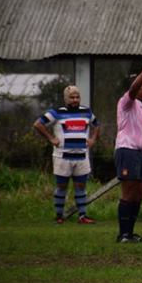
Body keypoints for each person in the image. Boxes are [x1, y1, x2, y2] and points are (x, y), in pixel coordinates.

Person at [33, 85, 100, 224]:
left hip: (81, 156)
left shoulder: (87, 112)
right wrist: (51, 138)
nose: (75, 100)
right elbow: (38, 124)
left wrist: (93, 139)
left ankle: (82, 216)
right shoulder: (56, 112)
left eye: (77, 97)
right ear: (65, 99)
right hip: (62, 157)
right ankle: (59, 216)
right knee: (61, 187)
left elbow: (97, 124)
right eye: (72, 97)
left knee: (81, 187)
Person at [114, 56, 142, 243]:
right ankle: (123, 234)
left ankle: (131, 233)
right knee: (129, 191)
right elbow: (133, 89)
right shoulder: (127, 102)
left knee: (139, 194)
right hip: (128, 151)